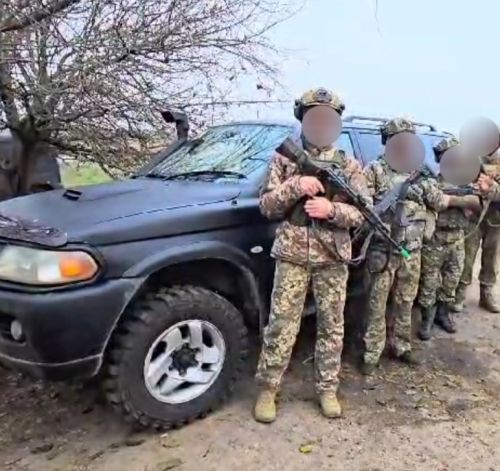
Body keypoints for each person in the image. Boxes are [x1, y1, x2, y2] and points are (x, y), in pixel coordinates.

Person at [254, 88, 370, 423]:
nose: (320, 125)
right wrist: (296, 186)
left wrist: (331, 209)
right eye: (314, 118)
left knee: (332, 326)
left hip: (332, 256)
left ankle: (327, 389)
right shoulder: (284, 159)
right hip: (291, 253)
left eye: (327, 119)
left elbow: (363, 213)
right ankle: (268, 389)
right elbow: (266, 206)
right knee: (281, 324)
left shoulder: (348, 165)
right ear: (303, 121)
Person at [362, 118, 464, 375]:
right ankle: (371, 353)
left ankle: (401, 346)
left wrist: (418, 190)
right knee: (376, 303)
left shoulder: (420, 171)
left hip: (412, 250)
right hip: (382, 251)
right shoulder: (374, 170)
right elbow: (364, 205)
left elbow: (438, 201)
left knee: (405, 300)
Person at [417, 137, 480, 340]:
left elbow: (476, 201)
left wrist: (453, 200)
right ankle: (427, 319)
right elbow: (435, 202)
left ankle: (442, 315)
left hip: (457, 239)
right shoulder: (432, 180)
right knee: (429, 282)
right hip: (435, 239)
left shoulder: (466, 180)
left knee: (451, 281)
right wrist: (458, 202)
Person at [452, 138, 500, 314]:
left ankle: (486, 294)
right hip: (474, 216)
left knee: (491, 258)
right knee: (467, 255)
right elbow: (462, 184)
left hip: (496, 219)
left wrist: (491, 189)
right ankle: (460, 293)